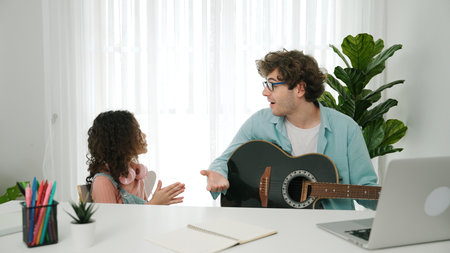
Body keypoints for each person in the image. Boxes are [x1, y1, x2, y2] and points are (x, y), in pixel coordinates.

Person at [200, 49, 378, 210]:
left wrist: (389, 199)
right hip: (273, 228)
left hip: (328, 232)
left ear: (300, 88)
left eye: (272, 85)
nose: (265, 92)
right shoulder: (259, 123)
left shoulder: (346, 129)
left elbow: (366, 191)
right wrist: (217, 174)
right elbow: (224, 161)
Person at [86, 110, 185, 205]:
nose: (144, 135)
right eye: (137, 132)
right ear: (121, 140)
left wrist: (157, 202)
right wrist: (154, 203)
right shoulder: (103, 182)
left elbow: (145, 215)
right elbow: (111, 221)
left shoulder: (135, 174)